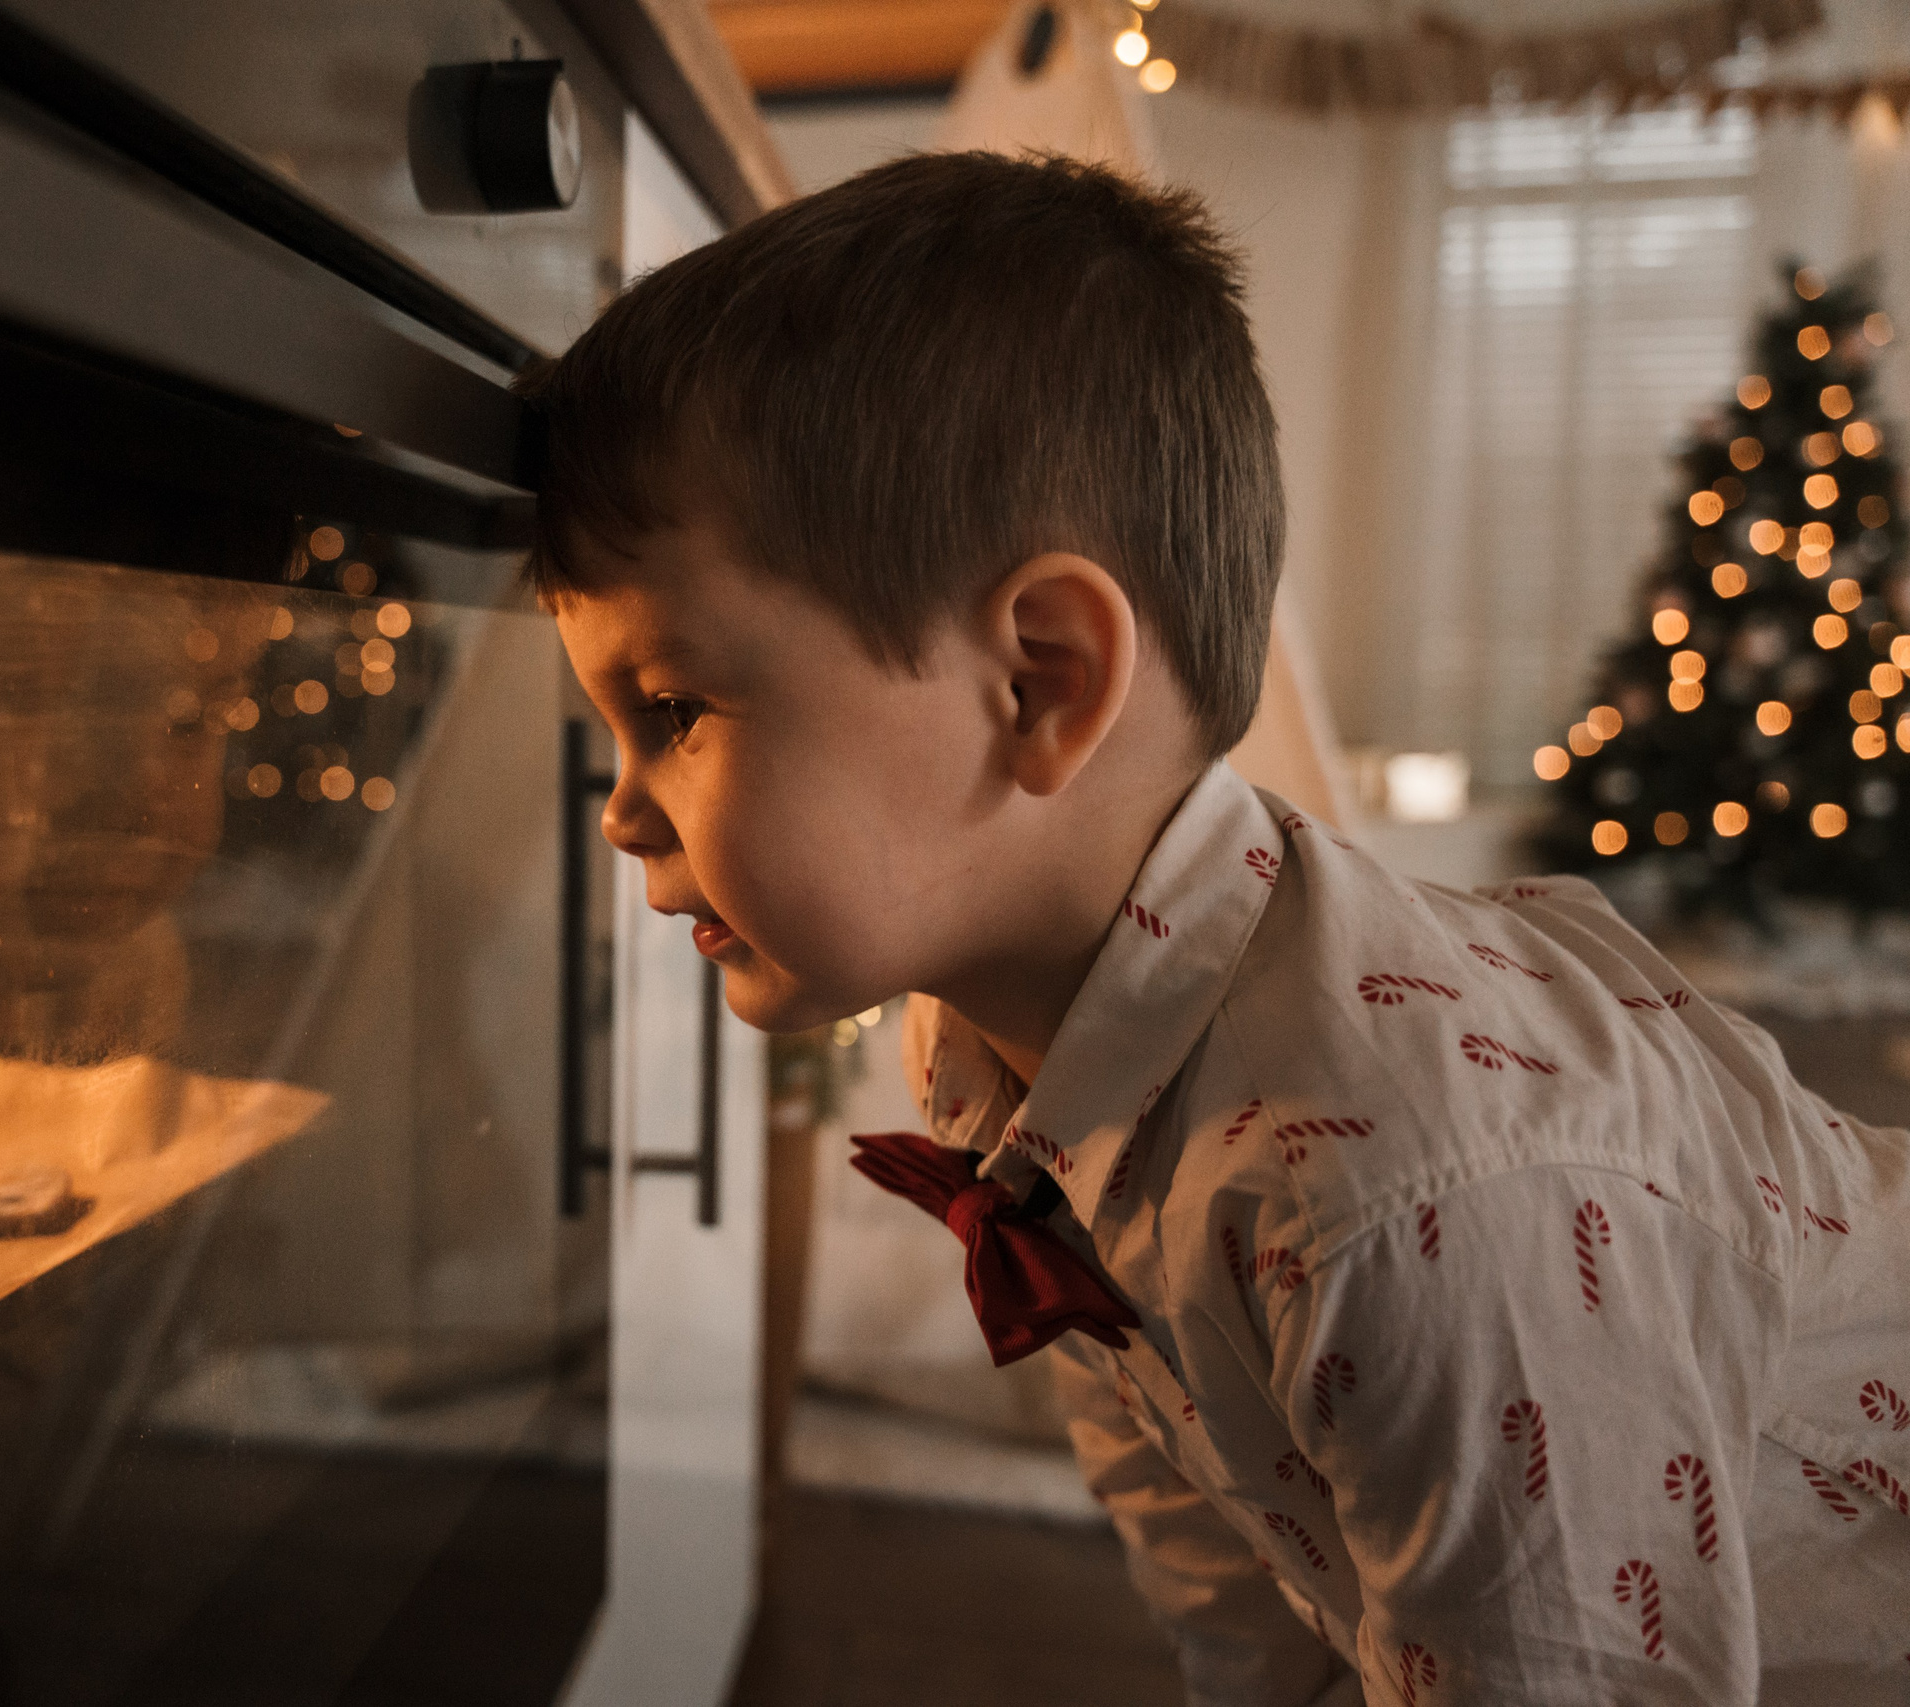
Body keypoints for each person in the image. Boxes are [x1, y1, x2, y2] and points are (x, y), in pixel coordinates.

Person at [521, 149, 1910, 1703]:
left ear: (1040, 681)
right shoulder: (993, 1040)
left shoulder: (1410, 1195)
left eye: (674, 707)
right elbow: (1225, 1552)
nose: (622, 810)